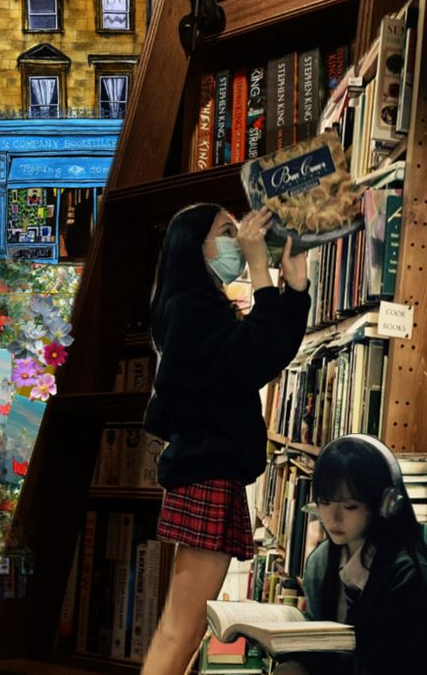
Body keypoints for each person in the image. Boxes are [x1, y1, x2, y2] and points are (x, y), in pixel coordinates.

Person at [141, 203, 310, 675]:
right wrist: (261, 268)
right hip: (208, 474)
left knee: (183, 627)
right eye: (227, 231)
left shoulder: (193, 308)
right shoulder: (192, 309)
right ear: (197, 248)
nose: (239, 238)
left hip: (207, 472)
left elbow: (262, 349)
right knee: (182, 626)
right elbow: (257, 353)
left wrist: (291, 289)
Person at [276, 434, 427, 675]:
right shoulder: (320, 561)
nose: (333, 518)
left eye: (350, 506)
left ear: (385, 503)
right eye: (325, 503)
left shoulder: (406, 572)